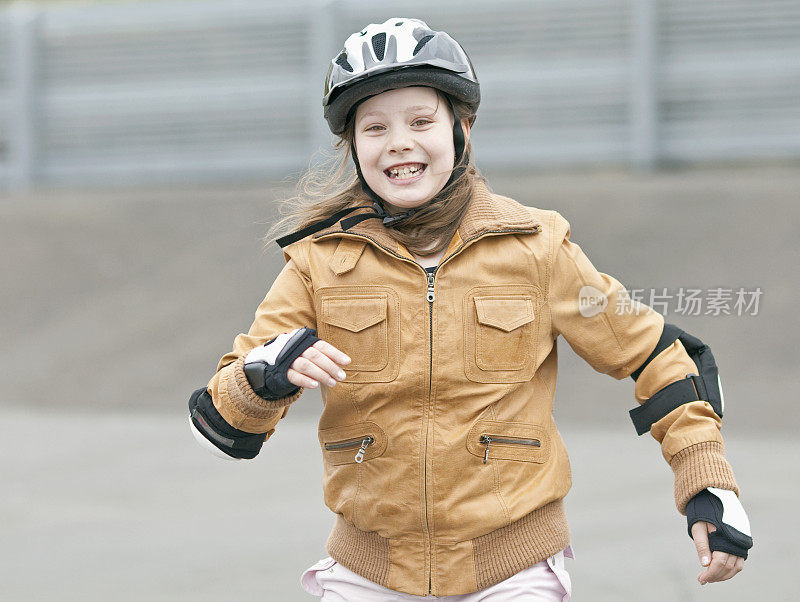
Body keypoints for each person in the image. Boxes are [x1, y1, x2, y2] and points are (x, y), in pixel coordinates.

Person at [188, 18, 752, 600]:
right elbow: (223, 417)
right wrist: (263, 380)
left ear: (461, 129)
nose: (399, 142)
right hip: (369, 572)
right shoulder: (317, 264)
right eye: (374, 127)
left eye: (421, 121)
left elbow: (658, 355)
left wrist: (706, 481)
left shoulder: (537, 249)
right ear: (354, 147)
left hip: (514, 570)